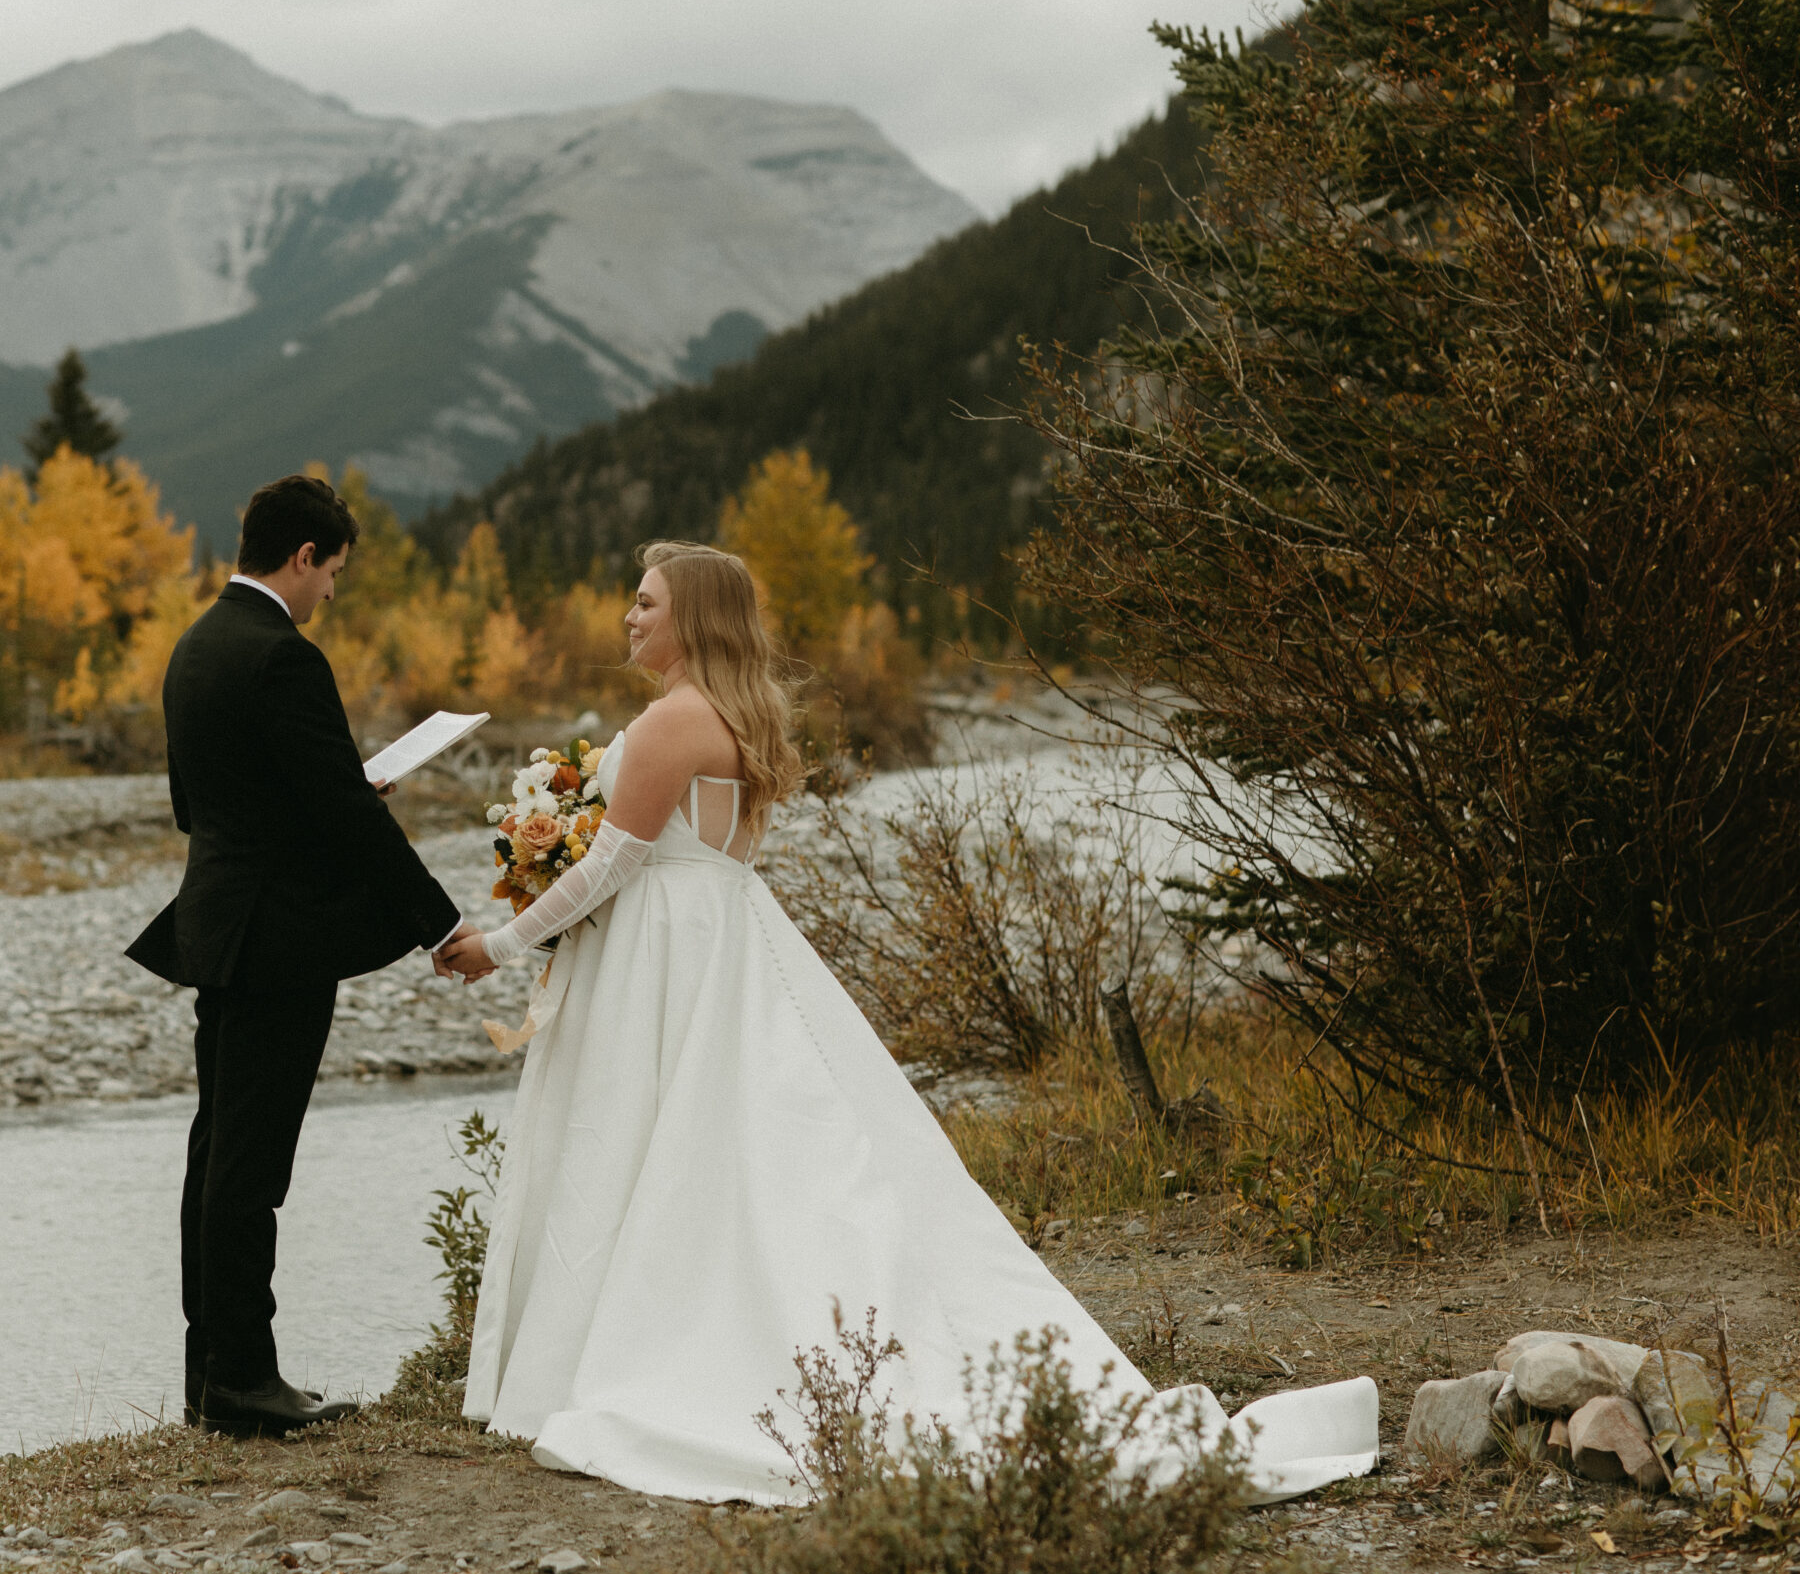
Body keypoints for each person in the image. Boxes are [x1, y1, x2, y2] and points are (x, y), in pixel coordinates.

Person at [430, 540, 1379, 1504]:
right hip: (719, 938)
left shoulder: (675, 719)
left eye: (646, 603)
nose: (629, 618)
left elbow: (612, 867)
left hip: (670, 950)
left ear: (695, 620)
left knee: (663, 1140)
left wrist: (499, 942)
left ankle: (658, 1347)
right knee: (726, 1150)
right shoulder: (734, 714)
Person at [128, 473, 479, 1438]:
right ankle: (246, 1382)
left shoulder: (195, 646)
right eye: (333, 574)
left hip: (217, 926)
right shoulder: (286, 659)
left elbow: (198, 807)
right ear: (304, 556)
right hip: (278, 940)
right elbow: (338, 822)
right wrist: (441, 923)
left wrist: (336, 793)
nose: (332, 593)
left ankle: (212, 1373)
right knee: (253, 1165)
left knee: (216, 1153)